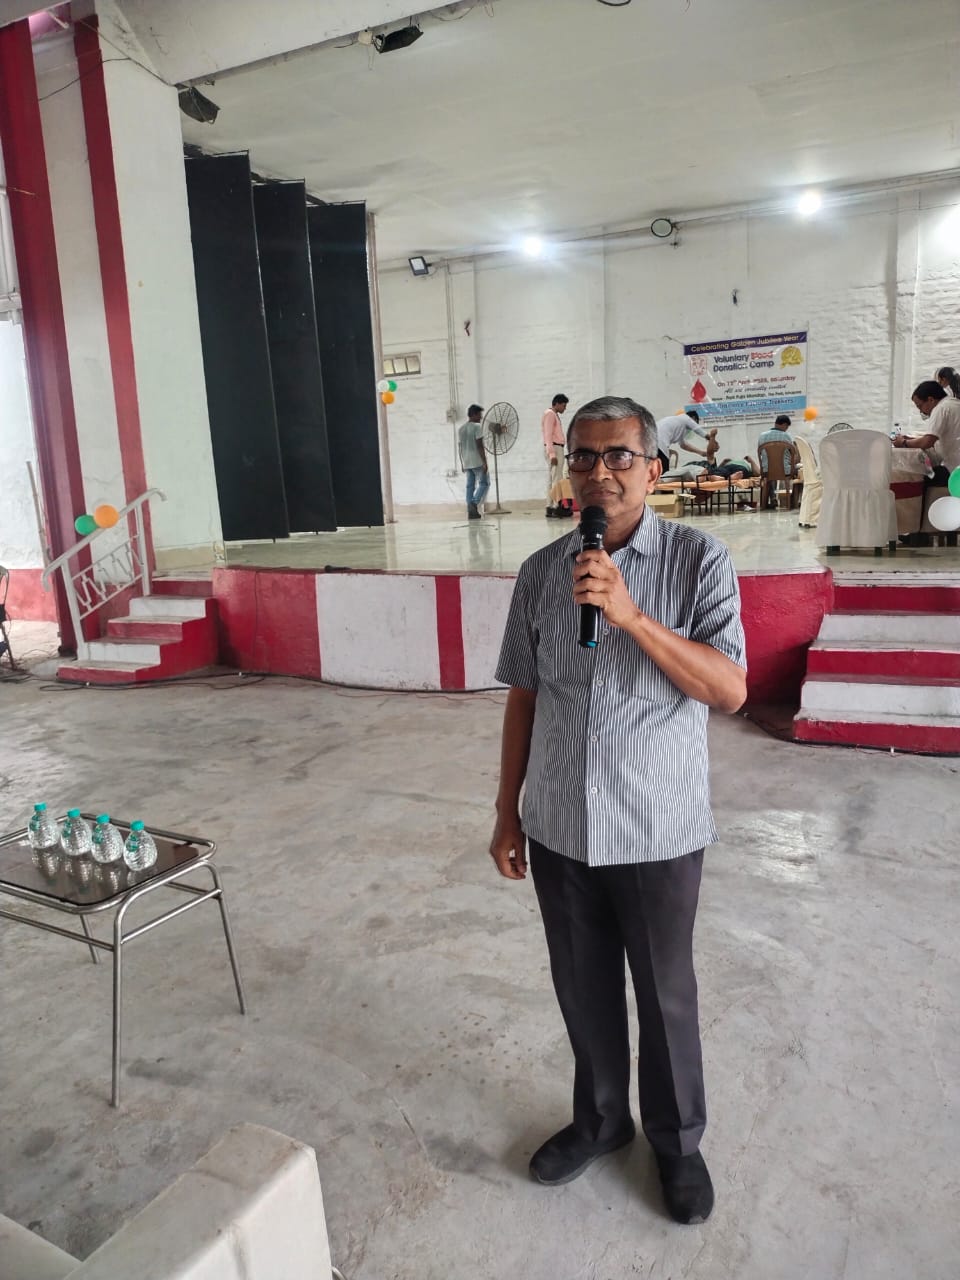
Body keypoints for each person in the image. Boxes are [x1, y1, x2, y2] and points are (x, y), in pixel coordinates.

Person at [489, 395, 746, 1226]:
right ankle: (602, 1121)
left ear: (654, 469)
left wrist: (631, 617)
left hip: (656, 827)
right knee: (582, 985)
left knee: (665, 995)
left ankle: (677, 1143)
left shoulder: (700, 561)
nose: (599, 473)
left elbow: (730, 690)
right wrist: (507, 813)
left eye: (619, 456)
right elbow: (525, 695)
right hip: (561, 824)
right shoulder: (541, 572)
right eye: (583, 457)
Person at [893, 381, 960, 482]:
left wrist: (904, 442)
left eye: (920, 406)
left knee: (917, 476)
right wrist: (912, 440)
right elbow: (937, 437)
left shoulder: (940, 408)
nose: (921, 411)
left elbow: (927, 442)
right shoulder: (954, 404)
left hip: (955, 471)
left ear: (930, 400)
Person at [458, 404, 489, 519]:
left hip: (466, 461)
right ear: (474, 414)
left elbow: (460, 447)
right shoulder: (477, 427)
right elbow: (479, 445)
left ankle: (470, 511)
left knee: (470, 486)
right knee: (484, 483)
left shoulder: (461, 429)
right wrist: (484, 462)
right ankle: (474, 503)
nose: (481, 417)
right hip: (477, 461)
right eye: (479, 414)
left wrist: (462, 463)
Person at [542, 394, 570, 518]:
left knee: (552, 478)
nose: (565, 408)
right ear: (557, 403)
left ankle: (550, 506)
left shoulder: (552, 414)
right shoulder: (550, 414)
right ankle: (556, 507)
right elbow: (548, 435)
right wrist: (552, 454)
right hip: (555, 448)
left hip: (554, 447)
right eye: (564, 405)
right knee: (556, 479)